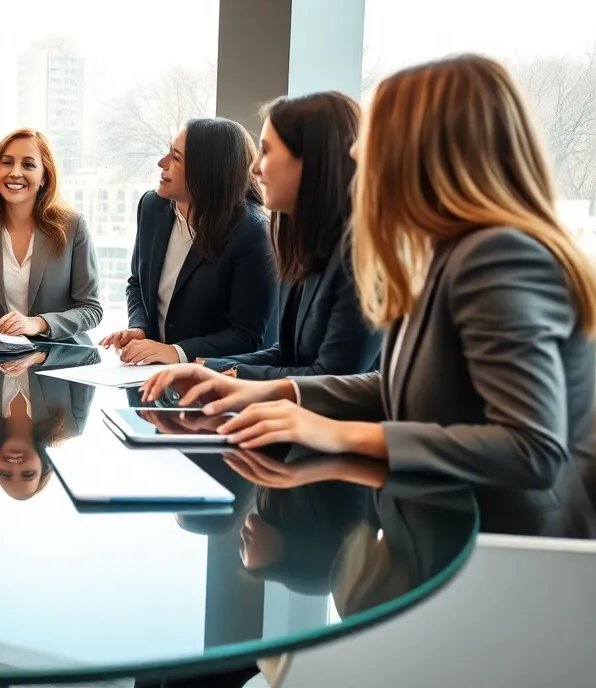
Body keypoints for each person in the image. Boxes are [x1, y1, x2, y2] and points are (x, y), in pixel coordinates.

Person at [140, 55, 596, 539]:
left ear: (425, 147)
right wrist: (266, 389)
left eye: (374, 135)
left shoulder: (498, 256)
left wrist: (337, 432)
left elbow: (532, 449)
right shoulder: (443, 253)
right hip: (444, 531)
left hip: (512, 556)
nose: (355, 154)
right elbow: (397, 387)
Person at [202, 93, 380, 379]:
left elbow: (331, 378)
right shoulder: (301, 243)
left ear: (313, 159)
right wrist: (209, 368)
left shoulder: (362, 257)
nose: (254, 167)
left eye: (266, 151)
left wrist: (234, 376)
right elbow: (286, 353)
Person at [101, 118, 278, 365]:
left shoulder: (253, 232)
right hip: (153, 375)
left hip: (220, 382)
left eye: (175, 158)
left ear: (206, 172)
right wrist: (140, 327)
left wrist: (176, 351)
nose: (161, 162)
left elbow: (247, 335)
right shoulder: (152, 206)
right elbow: (137, 283)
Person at [0, 128, 102, 343]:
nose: (15, 172)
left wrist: (37, 323)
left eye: (28, 165)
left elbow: (91, 310)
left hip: (57, 362)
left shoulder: (72, 226)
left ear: (44, 176)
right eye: (7, 162)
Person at [0, 343, 95, 500]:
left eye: (5, 473)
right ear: (44, 465)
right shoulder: (71, 426)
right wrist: (41, 357)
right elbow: (90, 357)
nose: (15, 465)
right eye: (28, 473)